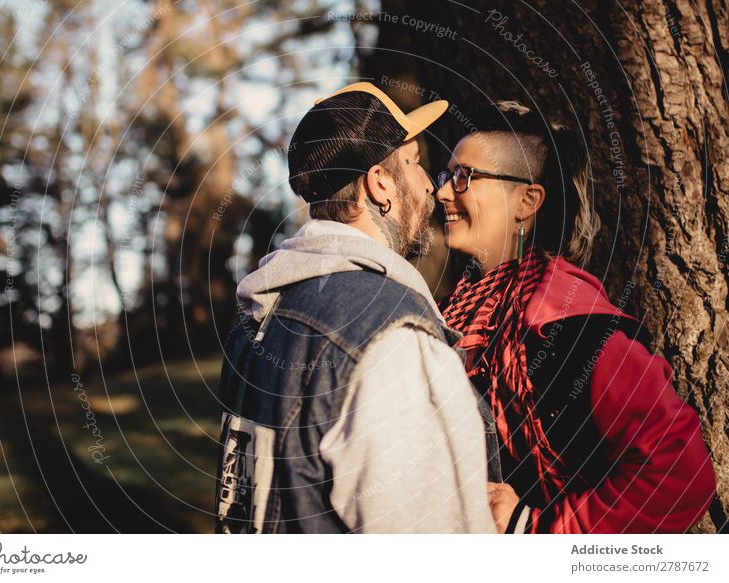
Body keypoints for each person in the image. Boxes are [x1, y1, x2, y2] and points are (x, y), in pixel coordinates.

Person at [214, 82, 496, 534]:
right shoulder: (390, 337)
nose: (430, 186)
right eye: (415, 163)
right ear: (380, 183)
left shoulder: (258, 321)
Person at [436, 100, 717, 534]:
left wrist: (536, 530)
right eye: (444, 175)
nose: (442, 192)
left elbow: (680, 471)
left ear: (527, 201)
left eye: (463, 177)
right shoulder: (459, 309)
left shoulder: (568, 322)